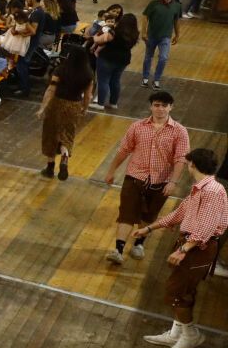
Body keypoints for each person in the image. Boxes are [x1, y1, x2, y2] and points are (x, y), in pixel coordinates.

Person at [139, 149, 226, 348]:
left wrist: (183, 250)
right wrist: (150, 228)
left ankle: (190, 334)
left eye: (188, 164)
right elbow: (179, 213)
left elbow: (205, 227)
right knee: (184, 290)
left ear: (192, 165)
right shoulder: (200, 189)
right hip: (189, 245)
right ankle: (177, 332)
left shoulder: (212, 191)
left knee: (177, 292)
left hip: (197, 249)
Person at [102, 90, 191, 265]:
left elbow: (181, 159)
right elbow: (123, 150)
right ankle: (118, 250)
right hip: (134, 178)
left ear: (171, 107)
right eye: (157, 105)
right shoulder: (137, 127)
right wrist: (111, 171)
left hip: (162, 182)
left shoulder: (180, 132)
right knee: (126, 214)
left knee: (149, 217)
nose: (160, 109)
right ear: (151, 106)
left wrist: (173, 181)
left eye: (164, 106)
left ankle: (139, 244)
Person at [39, 43, 93, 181]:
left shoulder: (61, 70)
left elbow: (51, 90)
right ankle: (64, 158)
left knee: (51, 134)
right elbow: (88, 95)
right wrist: (85, 108)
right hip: (74, 106)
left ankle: (50, 168)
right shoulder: (88, 74)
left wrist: (43, 107)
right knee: (67, 135)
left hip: (56, 104)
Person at [140, 0, 181, 89]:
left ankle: (156, 80)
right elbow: (145, 17)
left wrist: (177, 35)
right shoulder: (154, 4)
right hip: (151, 35)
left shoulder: (177, 6)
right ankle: (145, 78)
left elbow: (176, 21)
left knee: (163, 58)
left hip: (165, 37)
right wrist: (143, 32)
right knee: (148, 57)